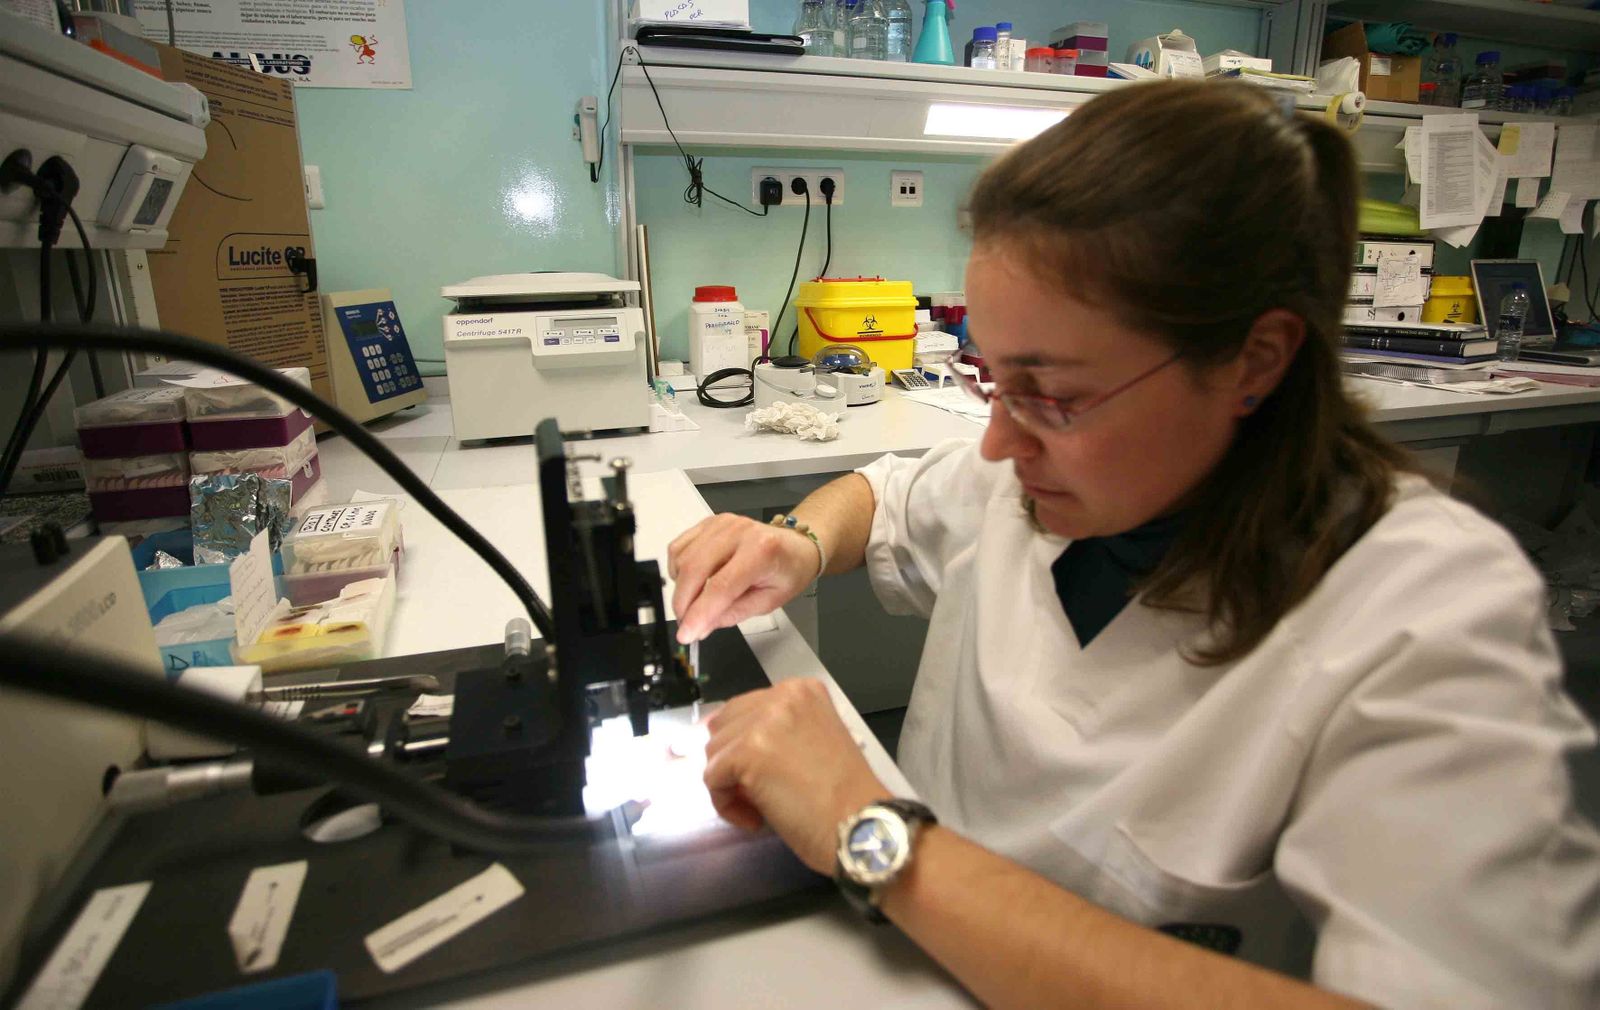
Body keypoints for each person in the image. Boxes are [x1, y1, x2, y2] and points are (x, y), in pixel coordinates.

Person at [667, 82, 1600, 1008]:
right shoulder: (1031, 477)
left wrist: (874, 835)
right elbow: (886, 496)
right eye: (992, 379)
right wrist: (794, 543)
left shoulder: (1425, 619)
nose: (998, 441)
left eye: (1053, 394)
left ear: (1255, 360)